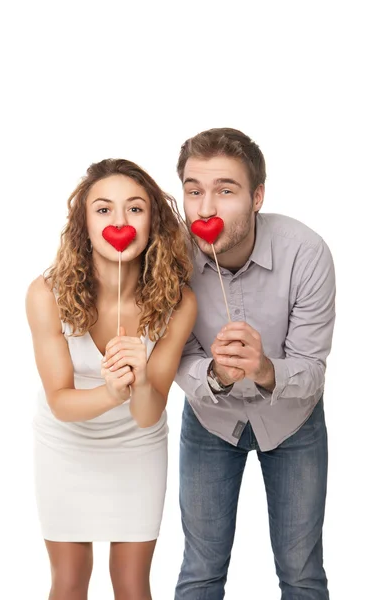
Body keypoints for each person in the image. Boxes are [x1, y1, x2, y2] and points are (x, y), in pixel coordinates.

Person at [174, 128, 335, 600]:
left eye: (225, 191)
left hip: (293, 422)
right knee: (201, 573)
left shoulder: (306, 254)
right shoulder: (171, 259)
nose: (206, 209)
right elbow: (176, 357)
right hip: (211, 421)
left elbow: (312, 369)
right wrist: (215, 375)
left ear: (257, 195)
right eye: (194, 190)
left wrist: (264, 369)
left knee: (302, 574)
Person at [26, 158, 197, 600]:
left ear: (152, 220)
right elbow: (61, 401)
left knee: (131, 581)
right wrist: (109, 391)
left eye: (135, 209)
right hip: (65, 444)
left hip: (136, 446)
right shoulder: (46, 294)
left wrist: (139, 382)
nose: (119, 221)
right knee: (68, 580)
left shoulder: (179, 302)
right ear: (83, 223)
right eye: (103, 210)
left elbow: (147, 414)